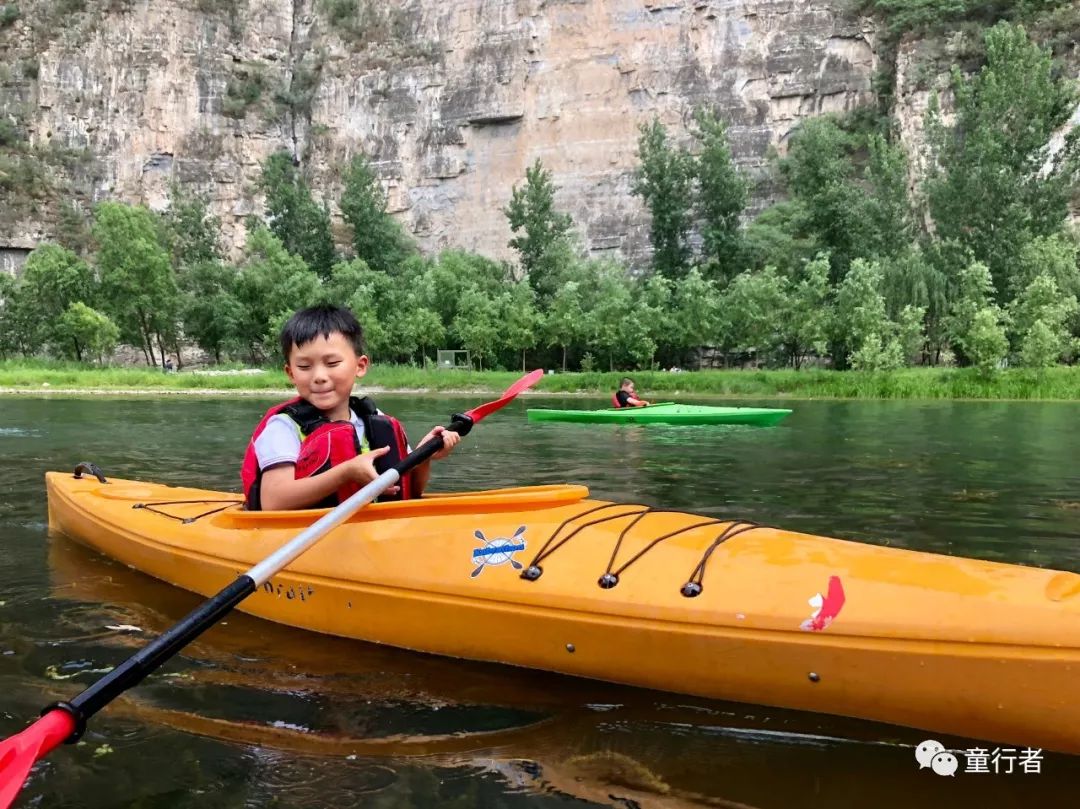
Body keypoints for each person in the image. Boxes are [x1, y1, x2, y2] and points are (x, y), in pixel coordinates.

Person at [241, 305, 459, 510]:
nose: (319, 377)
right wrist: (346, 473)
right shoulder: (283, 428)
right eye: (304, 366)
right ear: (291, 373)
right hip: (307, 539)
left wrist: (424, 456)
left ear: (360, 366)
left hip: (370, 535)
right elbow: (273, 501)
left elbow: (411, 490)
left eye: (332, 363)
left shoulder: (375, 419)